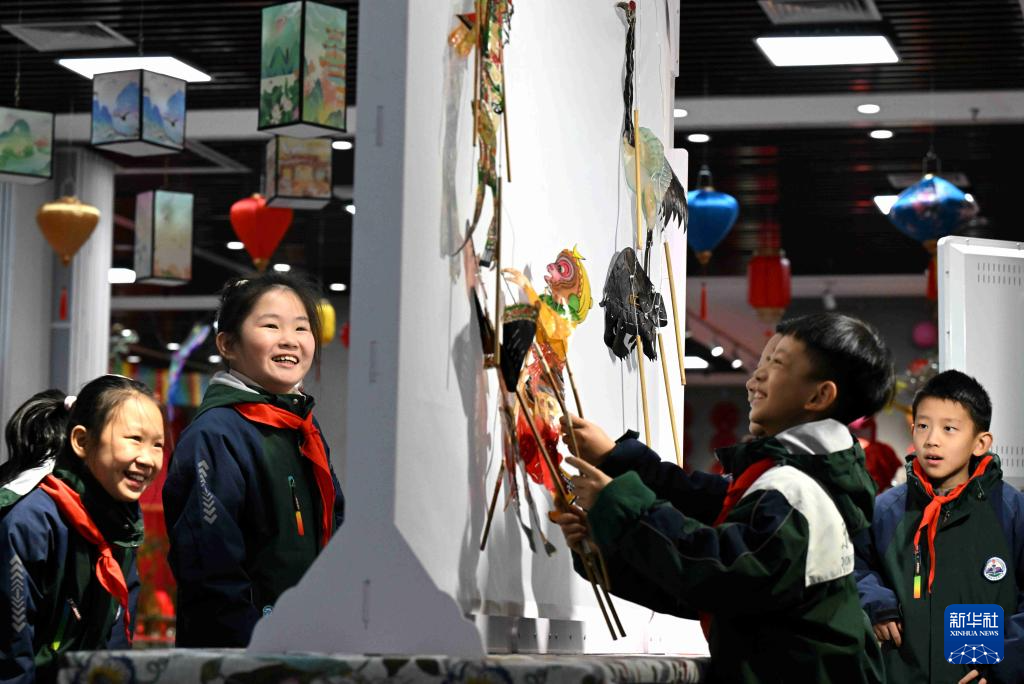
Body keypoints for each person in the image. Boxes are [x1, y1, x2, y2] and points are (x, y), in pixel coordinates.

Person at [553, 313, 893, 683]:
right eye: (761, 362)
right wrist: (605, 543)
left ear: (819, 396)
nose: (754, 378)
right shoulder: (796, 479)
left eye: (776, 363)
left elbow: (716, 574)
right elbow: (702, 524)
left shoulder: (797, 496)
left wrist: (619, 503)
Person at [163, 272, 345, 647]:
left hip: (308, 643)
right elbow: (211, 570)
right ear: (228, 344)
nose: (289, 339)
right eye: (271, 325)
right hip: (243, 655)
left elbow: (338, 528)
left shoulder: (303, 428)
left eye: (301, 327)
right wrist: (257, 652)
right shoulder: (216, 434)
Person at [855, 370, 1024, 684]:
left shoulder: (1012, 512)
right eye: (923, 426)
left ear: (980, 443)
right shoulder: (885, 511)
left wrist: (1005, 666)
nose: (932, 439)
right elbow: (855, 567)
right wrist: (876, 602)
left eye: (949, 428)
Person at [0, 376, 163, 683]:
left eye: (158, 445)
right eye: (135, 439)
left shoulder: (122, 525)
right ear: (82, 442)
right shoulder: (31, 521)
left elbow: (116, 642)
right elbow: (11, 658)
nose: (148, 459)